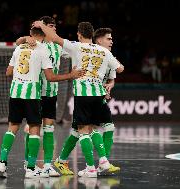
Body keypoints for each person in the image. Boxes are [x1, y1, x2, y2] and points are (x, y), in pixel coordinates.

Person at [33, 21, 121, 177]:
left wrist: (41, 24)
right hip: (98, 95)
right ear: (93, 35)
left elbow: (54, 37)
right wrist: (107, 75)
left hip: (83, 95)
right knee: (83, 130)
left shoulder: (76, 46)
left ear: (79, 34)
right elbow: (120, 68)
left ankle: (92, 167)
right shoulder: (103, 51)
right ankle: (89, 160)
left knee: (84, 131)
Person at [0, 25, 85, 179]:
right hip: (32, 95)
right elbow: (50, 77)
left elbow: (8, 72)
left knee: (13, 128)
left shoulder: (19, 49)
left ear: (31, 34)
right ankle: (30, 168)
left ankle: (2, 163)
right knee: (35, 129)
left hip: (16, 93)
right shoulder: (42, 49)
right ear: (44, 34)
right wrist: (71, 75)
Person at [16, 16, 68, 177]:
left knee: (49, 129)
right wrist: (25, 37)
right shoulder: (34, 43)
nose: (54, 29)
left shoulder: (59, 46)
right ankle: (28, 162)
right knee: (33, 130)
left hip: (51, 93)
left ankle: (47, 165)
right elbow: (18, 42)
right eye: (50, 26)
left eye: (54, 26)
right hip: (36, 93)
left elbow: (77, 50)